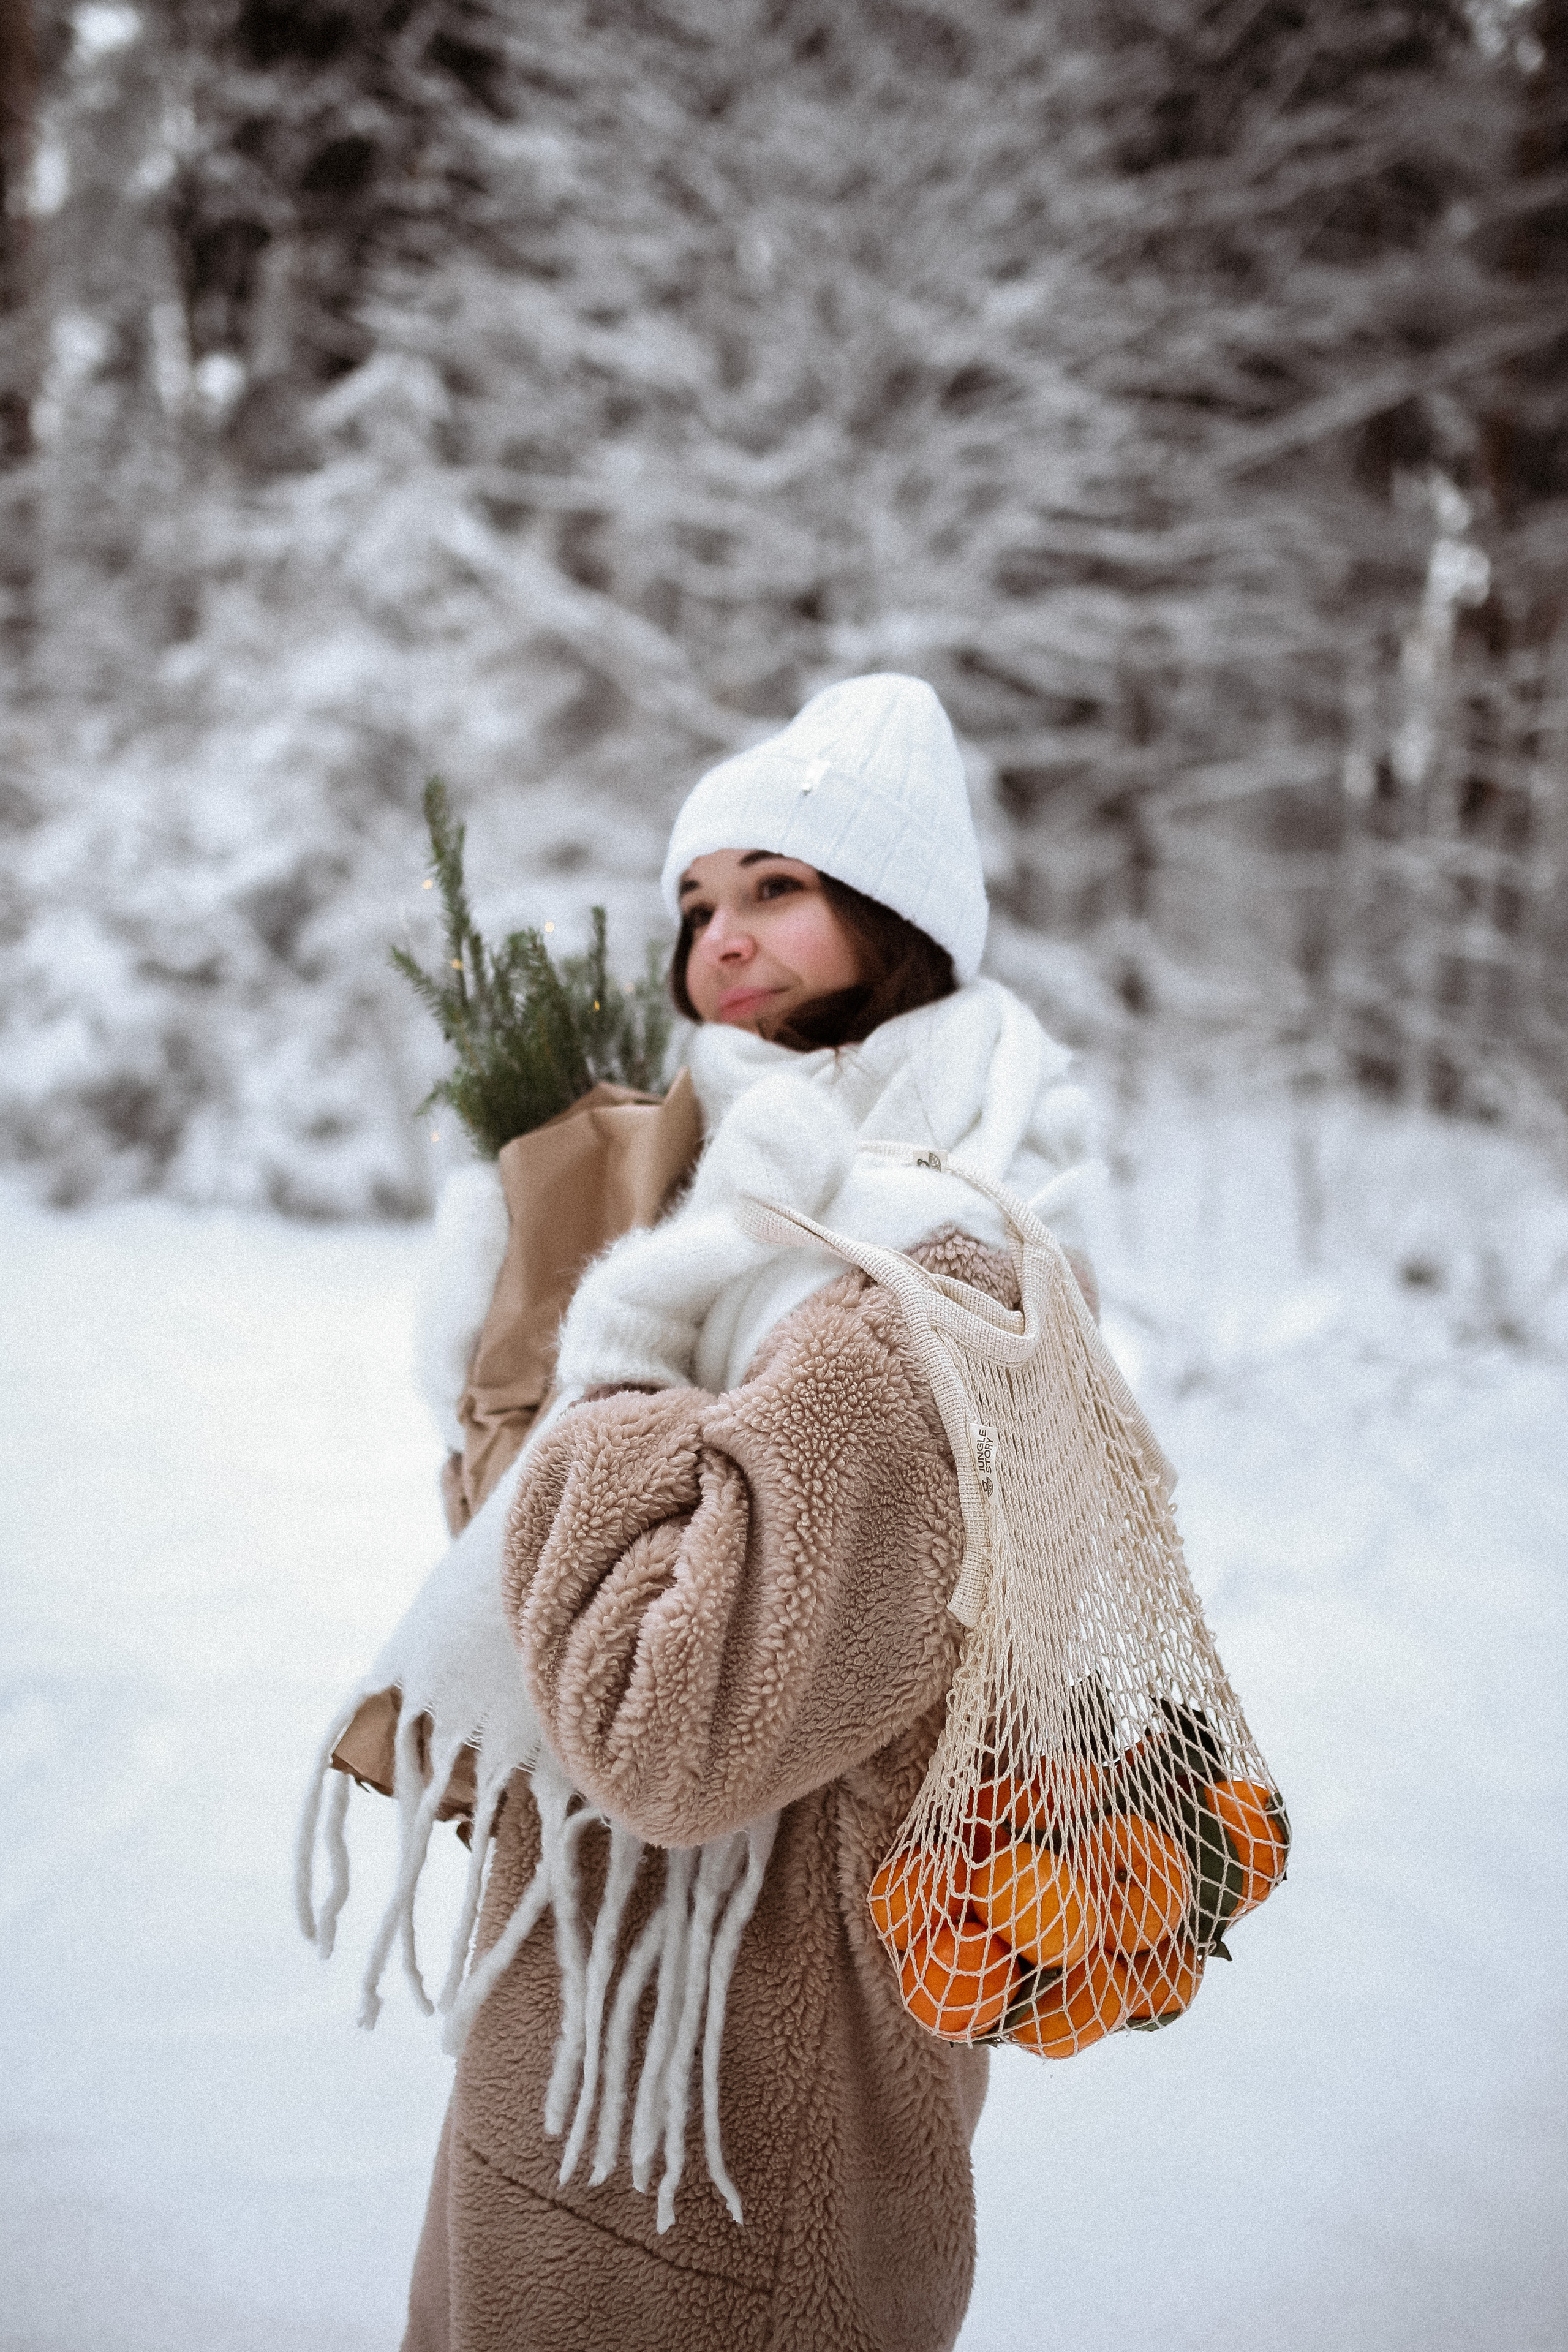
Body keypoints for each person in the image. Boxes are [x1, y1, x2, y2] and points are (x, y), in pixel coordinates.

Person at [401, 673, 1097, 2352]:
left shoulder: (938, 1273)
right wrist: (518, 1359)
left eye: (776, 885)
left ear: (900, 915)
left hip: (740, 2135)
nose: (720, 929)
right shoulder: (719, 1204)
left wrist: (614, 1339)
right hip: (574, 2047)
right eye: (698, 899)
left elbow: (672, 1723)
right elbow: (550, 1596)